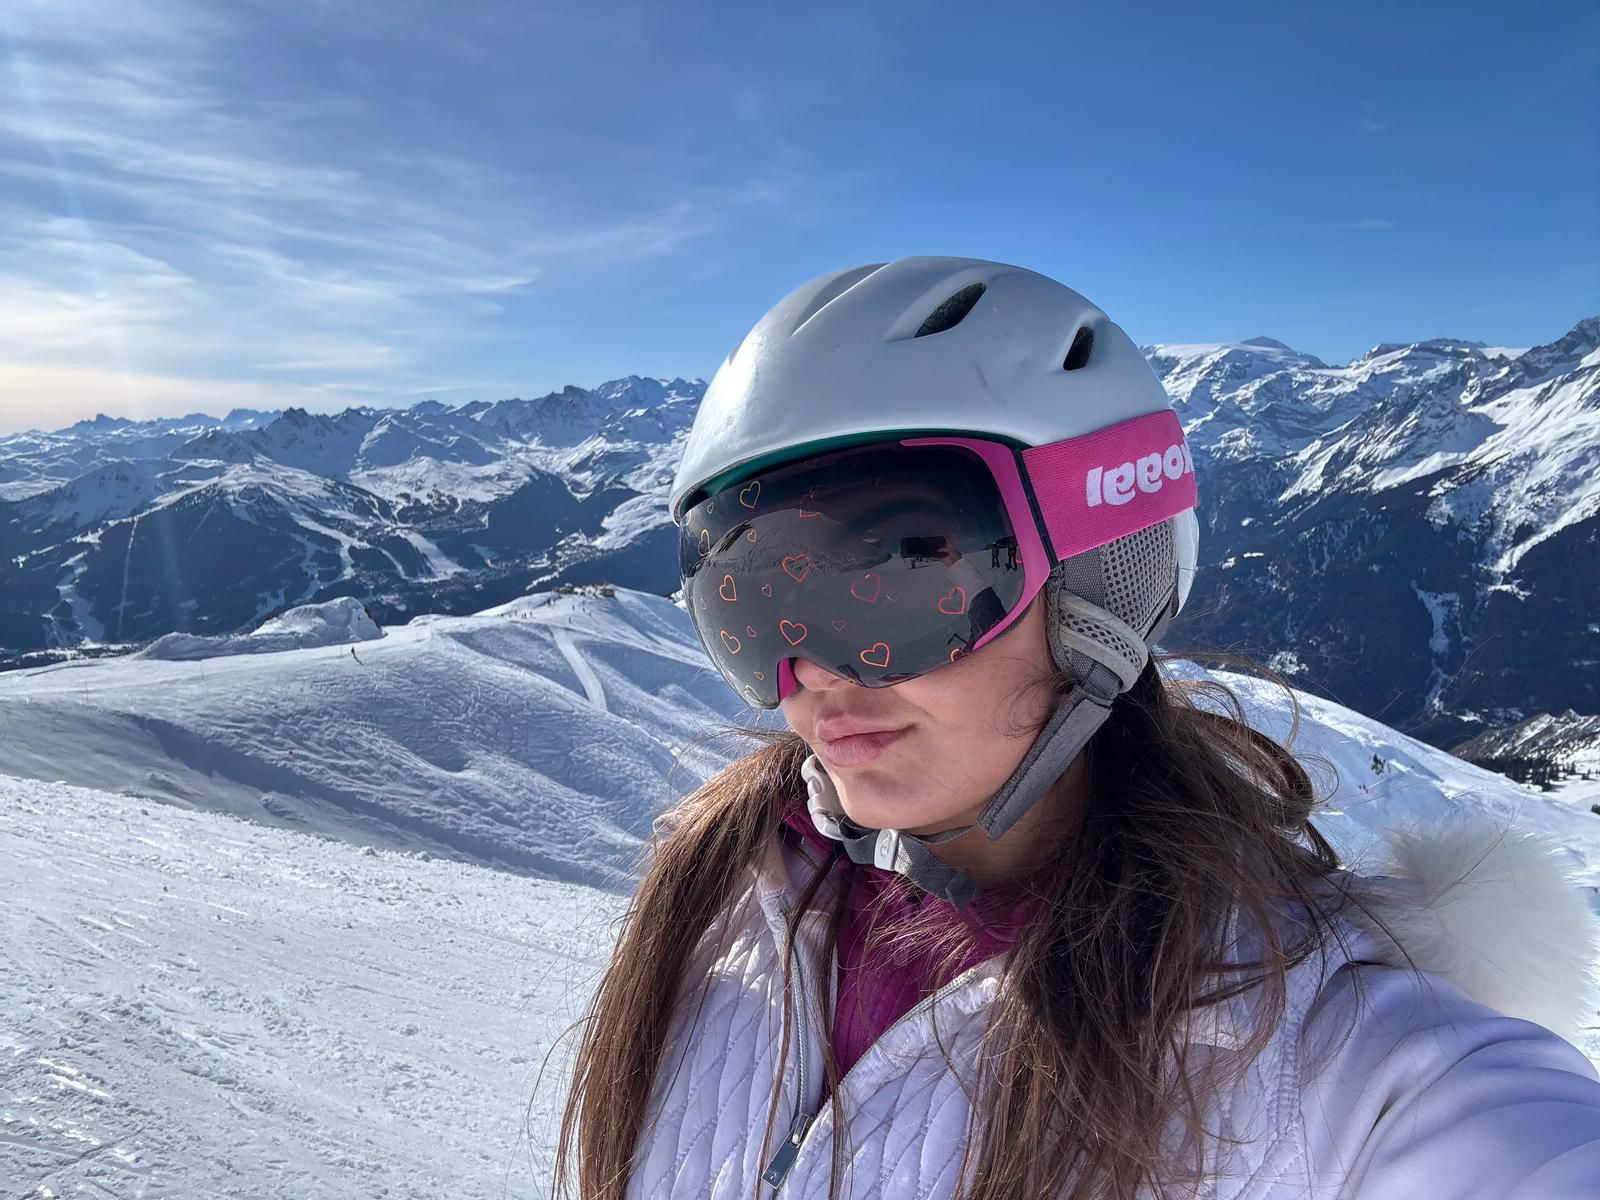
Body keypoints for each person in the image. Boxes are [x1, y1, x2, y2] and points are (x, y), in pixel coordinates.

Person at [556, 257, 1600, 1198]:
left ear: (1104, 583)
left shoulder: (1321, 1049)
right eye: (749, 611)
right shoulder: (714, 908)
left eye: (895, 573)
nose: (812, 675)